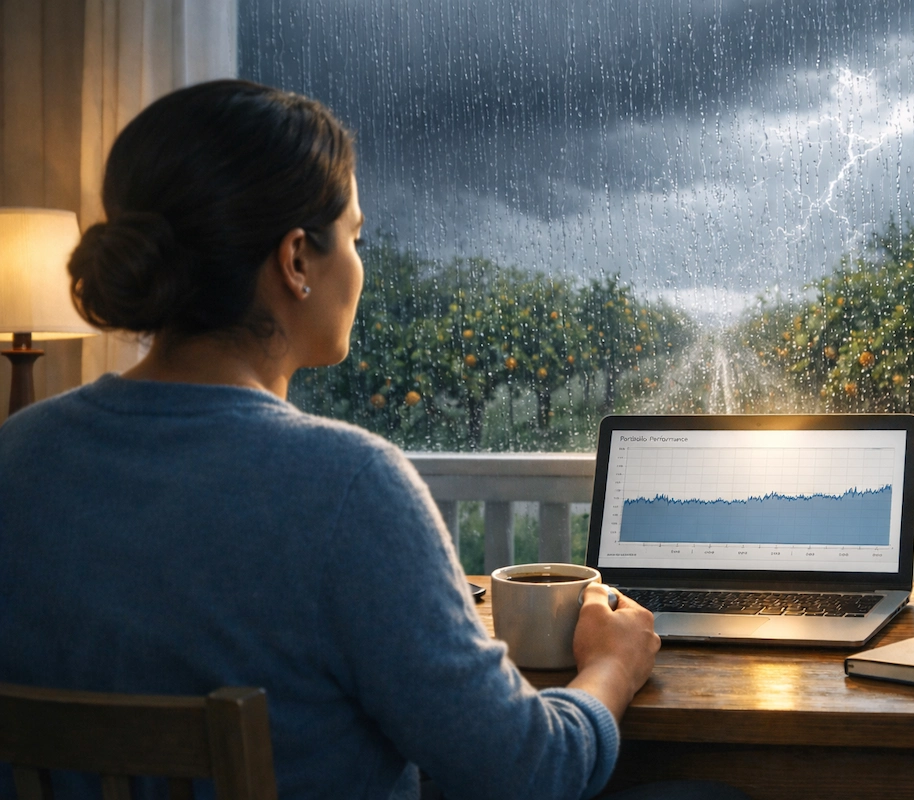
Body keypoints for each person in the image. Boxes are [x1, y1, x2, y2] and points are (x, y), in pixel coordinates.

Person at [0, 79, 678, 800]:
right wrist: (613, 665)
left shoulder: (19, 457)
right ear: (296, 260)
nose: (360, 264)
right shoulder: (349, 488)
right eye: (355, 237)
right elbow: (527, 771)